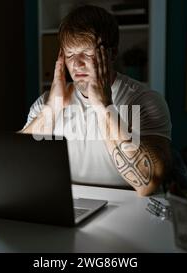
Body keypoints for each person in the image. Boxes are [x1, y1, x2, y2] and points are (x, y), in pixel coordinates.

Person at [21, 5, 172, 196]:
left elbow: (147, 184)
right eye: (69, 54)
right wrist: (51, 108)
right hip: (69, 204)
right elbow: (12, 163)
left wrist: (103, 106)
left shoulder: (145, 100)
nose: (76, 63)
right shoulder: (48, 102)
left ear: (112, 53)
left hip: (132, 210)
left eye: (87, 52)